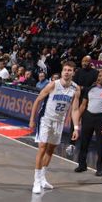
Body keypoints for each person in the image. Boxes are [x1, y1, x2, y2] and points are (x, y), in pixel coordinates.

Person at [29, 61, 81, 194]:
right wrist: (32, 119)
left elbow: (75, 110)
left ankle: (42, 178)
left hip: (59, 121)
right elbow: (38, 100)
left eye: (69, 70)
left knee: (51, 150)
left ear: (73, 72)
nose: (67, 72)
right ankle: (36, 181)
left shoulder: (76, 89)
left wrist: (76, 127)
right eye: (65, 70)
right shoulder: (53, 84)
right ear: (62, 71)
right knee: (42, 148)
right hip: (46, 119)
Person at [74, 69, 102, 176]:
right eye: (100, 75)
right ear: (97, 77)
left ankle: (100, 169)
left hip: (101, 118)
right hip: (88, 116)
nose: (101, 77)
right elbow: (83, 105)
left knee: (101, 144)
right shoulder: (90, 89)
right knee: (84, 142)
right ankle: (82, 165)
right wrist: (77, 119)